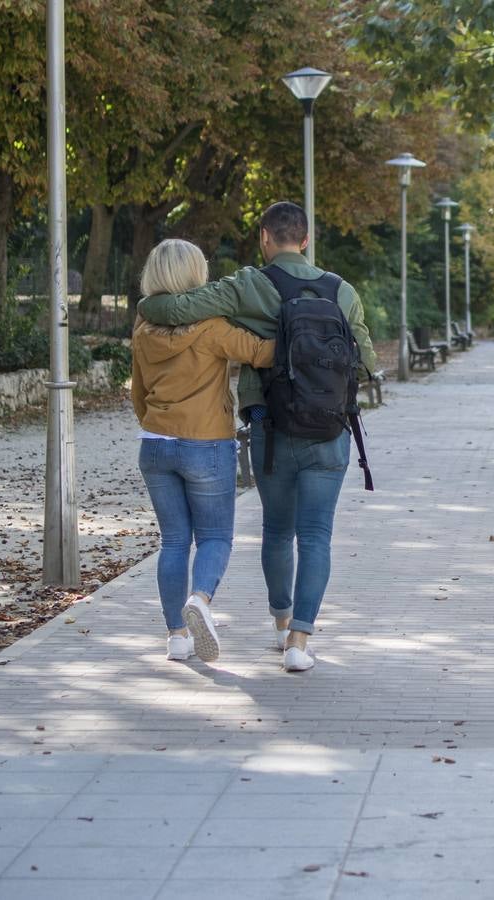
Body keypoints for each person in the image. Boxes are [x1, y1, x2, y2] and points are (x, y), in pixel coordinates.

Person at [138, 201, 377, 673]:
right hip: (330, 432)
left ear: (264, 237)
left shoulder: (249, 285)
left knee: (277, 531)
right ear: (305, 240)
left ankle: (279, 622)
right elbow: (366, 360)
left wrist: (146, 304)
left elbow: (178, 308)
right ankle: (299, 642)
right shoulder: (342, 290)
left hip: (272, 429)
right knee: (316, 536)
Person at [131, 238, 276, 664]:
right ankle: (200, 599)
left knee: (174, 541)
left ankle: (176, 637)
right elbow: (262, 353)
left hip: (154, 444)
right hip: (206, 443)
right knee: (214, 536)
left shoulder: (142, 325)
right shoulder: (211, 326)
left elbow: (138, 391)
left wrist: (155, 423)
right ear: (197, 275)